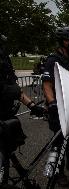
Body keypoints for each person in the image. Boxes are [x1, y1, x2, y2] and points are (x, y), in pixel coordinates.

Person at [41, 27, 69, 187]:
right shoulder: (53, 60)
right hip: (58, 108)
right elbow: (47, 83)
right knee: (58, 143)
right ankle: (55, 173)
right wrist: (51, 103)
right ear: (65, 41)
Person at [0, 33, 45, 166]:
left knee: (7, 154)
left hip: (5, 115)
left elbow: (15, 88)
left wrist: (32, 106)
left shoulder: (5, 62)